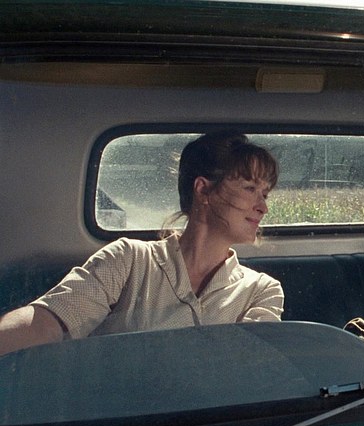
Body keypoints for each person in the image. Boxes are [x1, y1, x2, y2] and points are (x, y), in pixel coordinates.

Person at [0, 130, 284, 356]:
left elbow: (253, 371)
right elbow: (48, 322)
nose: (263, 207)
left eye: (265, 194)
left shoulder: (261, 290)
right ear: (203, 190)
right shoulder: (128, 260)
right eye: (250, 189)